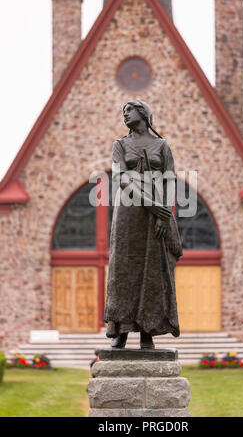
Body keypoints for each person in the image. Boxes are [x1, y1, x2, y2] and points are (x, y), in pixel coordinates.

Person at [104, 100, 182, 349]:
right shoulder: (120, 145)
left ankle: (148, 331)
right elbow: (120, 178)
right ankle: (121, 330)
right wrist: (151, 205)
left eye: (129, 110)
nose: (124, 115)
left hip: (157, 214)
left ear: (143, 113)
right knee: (123, 269)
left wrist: (165, 215)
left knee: (152, 268)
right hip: (129, 212)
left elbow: (170, 180)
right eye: (123, 112)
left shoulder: (162, 146)